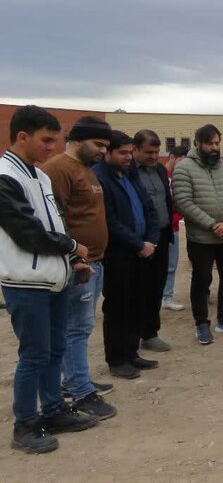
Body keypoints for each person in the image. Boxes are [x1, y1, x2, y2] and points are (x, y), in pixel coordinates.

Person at [1, 106, 100, 453]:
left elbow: (55, 224)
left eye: (55, 140)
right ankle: (25, 425)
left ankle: (54, 409)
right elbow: (27, 232)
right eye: (46, 140)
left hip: (55, 279)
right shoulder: (4, 176)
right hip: (25, 282)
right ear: (22, 137)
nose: (52, 147)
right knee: (34, 354)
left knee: (55, 349)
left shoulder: (40, 177)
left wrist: (73, 259)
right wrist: (73, 245)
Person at [41, 116, 117, 418]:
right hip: (75, 264)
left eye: (105, 146)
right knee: (76, 327)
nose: (102, 151)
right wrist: (75, 257)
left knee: (79, 327)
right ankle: (80, 390)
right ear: (77, 139)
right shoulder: (58, 169)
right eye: (98, 144)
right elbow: (52, 220)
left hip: (94, 260)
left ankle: (72, 378)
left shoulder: (85, 170)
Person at [93, 131, 161, 379]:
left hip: (143, 250)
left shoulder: (131, 175)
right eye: (123, 152)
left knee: (136, 303)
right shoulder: (100, 178)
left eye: (130, 152)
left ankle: (132, 352)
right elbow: (110, 220)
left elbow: (149, 208)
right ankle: (117, 358)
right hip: (119, 253)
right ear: (108, 153)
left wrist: (152, 239)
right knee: (118, 306)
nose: (128, 157)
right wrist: (138, 244)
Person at [173, 124, 223, 344]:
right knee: (201, 280)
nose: (214, 148)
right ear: (197, 144)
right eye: (209, 143)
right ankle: (201, 324)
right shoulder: (184, 168)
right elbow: (184, 202)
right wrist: (213, 225)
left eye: (217, 143)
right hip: (202, 238)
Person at [131, 130, 174, 353]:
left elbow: (166, 200)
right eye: (149, 152)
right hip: (139, 241)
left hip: (162, 236)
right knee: (138, 289)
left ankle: (150, 333)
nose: (154, 156)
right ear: (135, 149)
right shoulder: (128, 172)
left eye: (157, 152)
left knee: (156, 287)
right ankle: (132, 335)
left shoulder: (158, 169)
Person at [162, 145, 189, 311]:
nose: (182, 164)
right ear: (172, 157)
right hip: (160, 227)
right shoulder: (161, 174)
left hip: (173, 227)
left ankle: (167, 296)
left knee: (171, 264)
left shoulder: (179, 177)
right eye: (180, 160)